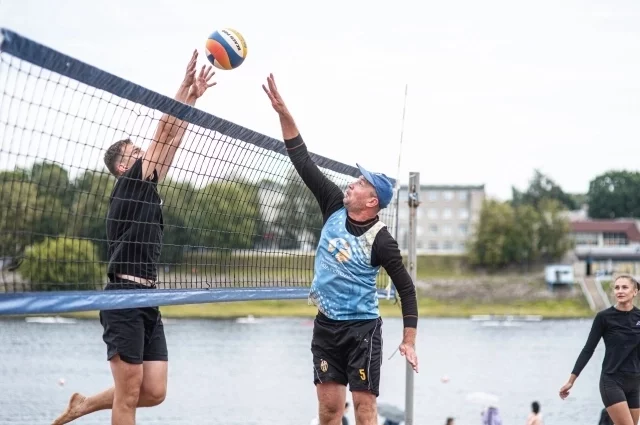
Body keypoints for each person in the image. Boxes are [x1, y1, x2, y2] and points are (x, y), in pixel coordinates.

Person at [50, 51, 217, 425]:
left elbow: (172, 137)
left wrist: (193, 98)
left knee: (153, 392)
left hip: (148, 296)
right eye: (136, 152)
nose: (147, 153)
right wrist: (182, 88)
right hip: (123, 296)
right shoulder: (129, 185)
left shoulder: (148, 185)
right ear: (124, 167)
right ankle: (88, 406)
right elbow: (163, 131)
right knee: (128, 396)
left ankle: (84, 404)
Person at [262, 73, 419, 425]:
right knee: (329, 411)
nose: (352, 183)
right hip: (327, 326)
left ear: (372, 200)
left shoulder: (381, 240)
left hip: (362, 329)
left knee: (364, 410)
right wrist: (284, 113)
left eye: (360, 182)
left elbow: (406, 289)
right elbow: (301, 160)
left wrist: (409, 339)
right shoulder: (334, 204)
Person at [559, 274, 640, 425]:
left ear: (635, 292)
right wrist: (571, 380)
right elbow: (588, 350)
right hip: (612, 381)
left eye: (624, 287)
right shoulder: (604, 317)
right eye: (616, 287)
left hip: (635, 383)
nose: (620, 291)